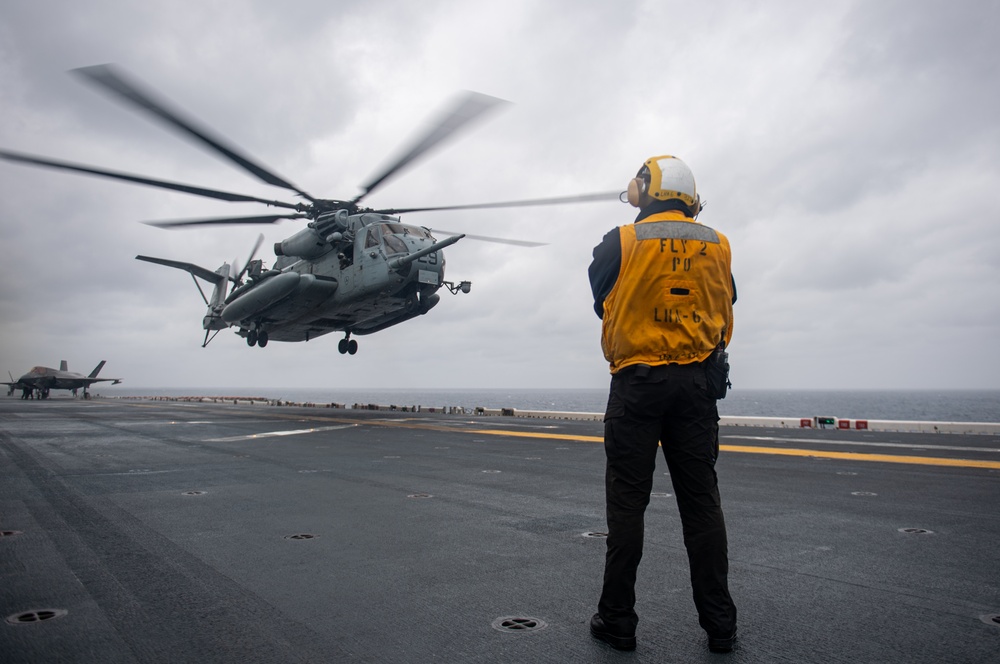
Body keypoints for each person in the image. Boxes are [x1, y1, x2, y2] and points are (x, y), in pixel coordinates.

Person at [587, 155, 738, 654]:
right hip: (697, 386)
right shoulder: (718, 244)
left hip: (637, 385)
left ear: (644, 191)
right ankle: (720, 625)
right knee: (702, 504)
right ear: (690, 197)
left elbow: (600, 296)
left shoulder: (622, 241)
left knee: (629, 504)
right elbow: (727, 302)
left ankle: (618, 620)